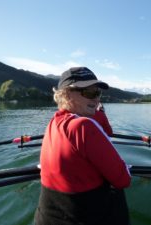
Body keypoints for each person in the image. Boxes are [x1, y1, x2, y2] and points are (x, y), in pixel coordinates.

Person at [34, 67, 131, 225]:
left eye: (98, 93)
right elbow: (123, 180)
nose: (96, 99)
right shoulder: (84, 126)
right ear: (66, 94)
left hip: (46, 217)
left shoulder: (53, 122)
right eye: (89, 93)